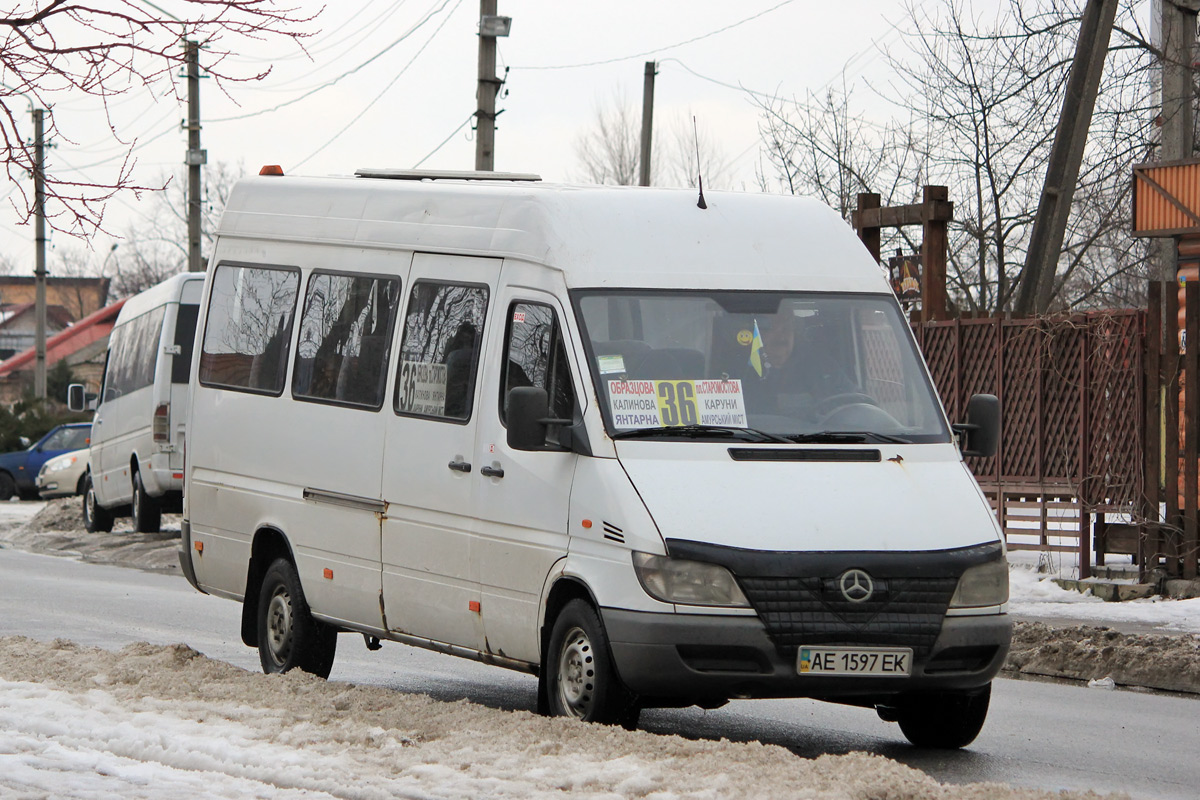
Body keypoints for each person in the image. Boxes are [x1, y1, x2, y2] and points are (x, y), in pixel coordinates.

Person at [743, 309, 856, 419]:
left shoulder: (822, 366)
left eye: (787, 328)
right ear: (758, 332)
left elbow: (854, 401)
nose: (782, 337)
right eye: (772, 328)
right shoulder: (743, 370)